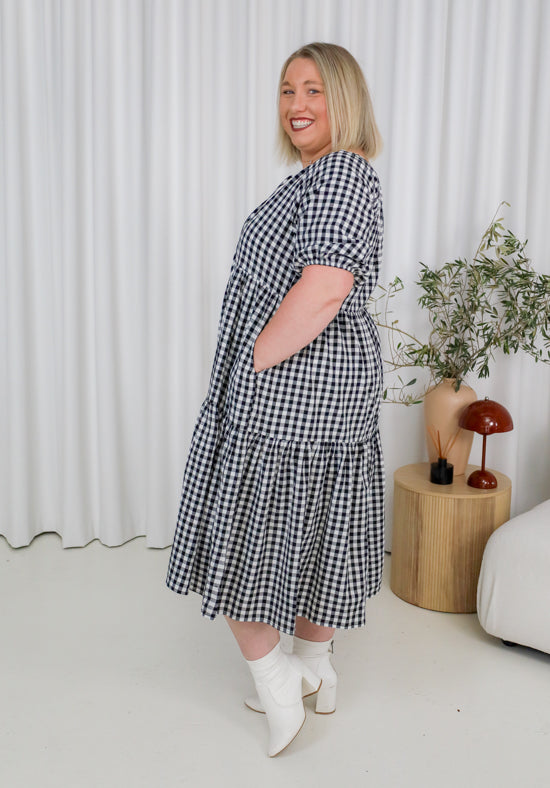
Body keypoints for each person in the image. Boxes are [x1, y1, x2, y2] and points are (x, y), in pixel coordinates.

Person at [166, 41, 384, 757]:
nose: (296, 104)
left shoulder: (342, 174)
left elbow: (325, 287)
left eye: (315, 90)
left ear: (344, 101)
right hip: (326, 387)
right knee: (322, 519)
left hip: (295, 385)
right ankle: (317, 668)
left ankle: (275, 677)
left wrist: (254, 360)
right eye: (288, 90)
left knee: (242, 531)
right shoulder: (315, 179)